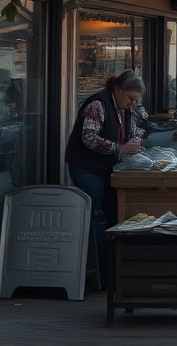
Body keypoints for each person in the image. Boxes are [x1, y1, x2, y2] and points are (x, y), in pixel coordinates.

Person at [65, 70, 146, 281]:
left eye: (135, 100)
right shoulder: (97, 104)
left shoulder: (125, 107)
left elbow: (131, 131)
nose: (132, 105)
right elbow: (89, 138)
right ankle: (103, 272)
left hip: (107, 168)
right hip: (87, 168)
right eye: (130, 99)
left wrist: (134, 144)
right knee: (97, 216)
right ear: (118, 90)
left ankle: (111, 268)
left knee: (110, 213)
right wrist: (120, 148)